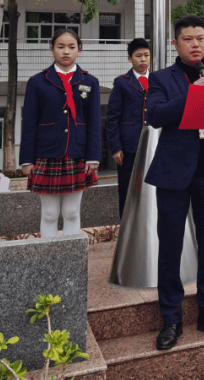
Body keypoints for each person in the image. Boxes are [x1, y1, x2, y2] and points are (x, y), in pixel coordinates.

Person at [145, 14, 204, 351]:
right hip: (173, 171)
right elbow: (154, 116)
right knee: (170, 246)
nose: (195, 43)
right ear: (176, 43)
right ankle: (171, 319)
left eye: (201, 37)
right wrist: (191, 96)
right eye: (188, 39)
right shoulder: (161, 79)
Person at [19, 29, 101, 238]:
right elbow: (29, 122)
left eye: (71, 47)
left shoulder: (90, 82)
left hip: (78, 152)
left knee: (72, 212)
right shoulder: (37, 81)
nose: (66, 51)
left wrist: (94, 156)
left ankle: (73, 261)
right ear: (52, 49)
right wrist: (26, 159)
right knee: (49, 213)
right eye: (61, 47)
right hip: (46, 153)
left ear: (79, 50)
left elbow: (93, 122)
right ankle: (49, 260)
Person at [105, 37, 151, 217]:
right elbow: (113, 117)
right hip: (129, 147)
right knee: (127, 190)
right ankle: (127, 231)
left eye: (146, 55)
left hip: (153, 145)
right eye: (138, 56)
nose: (143, 60)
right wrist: (116, 147)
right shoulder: (122, 82)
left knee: (152, 189)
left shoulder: (158, 81)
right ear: (129, 58)